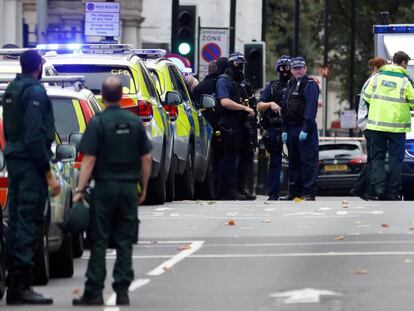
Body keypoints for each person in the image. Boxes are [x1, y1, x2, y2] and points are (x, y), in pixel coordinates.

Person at [72, 77, 152, 306]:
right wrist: (143, 187)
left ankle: (94, 291)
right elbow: (146, 159)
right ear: (121, 95)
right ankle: (123, 289)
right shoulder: (135, 123)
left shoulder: (98, 123)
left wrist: (80, 189)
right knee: (125, 239)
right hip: (128, 188)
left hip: (104, 187)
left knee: (99, 239)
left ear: (103, 97)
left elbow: (88, 160)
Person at [2, 50, 60, 305]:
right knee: (27, 222)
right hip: (30, 164)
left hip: (14, 160)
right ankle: (21, 286)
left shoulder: (12, 90)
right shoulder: (35, 93)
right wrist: (48, 174)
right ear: (38, 67)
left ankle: (12, 280)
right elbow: (35, 136)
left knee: (15, 221)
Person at [362, 51, 414, 200]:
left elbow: (366, 97)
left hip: (376, 126)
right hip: (397, 127)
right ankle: (392, 192)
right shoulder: (405, 81)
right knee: (395, 159)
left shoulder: (376, 78)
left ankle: (379, 188)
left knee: (377, 158)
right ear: (403, 63)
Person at [215, 52, 255, 200]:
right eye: (239, 64)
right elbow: (224, 101)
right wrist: (244, 108)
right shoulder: (224, 80)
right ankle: (228, 190)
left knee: (243, 157)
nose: (241, 68)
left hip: (241, 124)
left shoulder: (241, 82)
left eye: (243, 65)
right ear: (231, 64)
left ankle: (239, 188)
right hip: (228, 124)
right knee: (230, 159)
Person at [280, 56, 319, 201]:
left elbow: (310, 107)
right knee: (294, 162)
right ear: (291, 70)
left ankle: (309, 192)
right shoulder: (290, 85)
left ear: (305, 69)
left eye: (300, 68)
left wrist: (306, 128)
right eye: (295, 68)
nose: (298, 71)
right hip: (291, 128)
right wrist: (284, 128)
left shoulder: (310, 85)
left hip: (304, 128)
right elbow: (285, 108)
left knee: (308, 161)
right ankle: (294, 191)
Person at [351, 57, 387, 200]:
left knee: (372, 158)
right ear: (378, 67)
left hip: (366, 124)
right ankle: (366, 190)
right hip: (371, 124)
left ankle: (359, 188)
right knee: (375, 159)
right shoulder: (374, 81)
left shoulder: (370, 81)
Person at [192, 57, 228, 198]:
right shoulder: (222, 83)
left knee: (206, 160)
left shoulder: (200, 86)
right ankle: (219, 190)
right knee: (220, 160)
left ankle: (205, 190)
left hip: (202, 128)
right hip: (220, 126)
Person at [257, 55, 292, 200]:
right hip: (275, 128)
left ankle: (295, 192)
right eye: (282, 68)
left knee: (295, 161)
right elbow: (259, 105)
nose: (285, 71)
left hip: (291, 127)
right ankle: (273, 194)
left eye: (288, 68)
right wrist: (270, 104)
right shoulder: (272, 86)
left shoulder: (296, 85)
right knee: (275, 162)